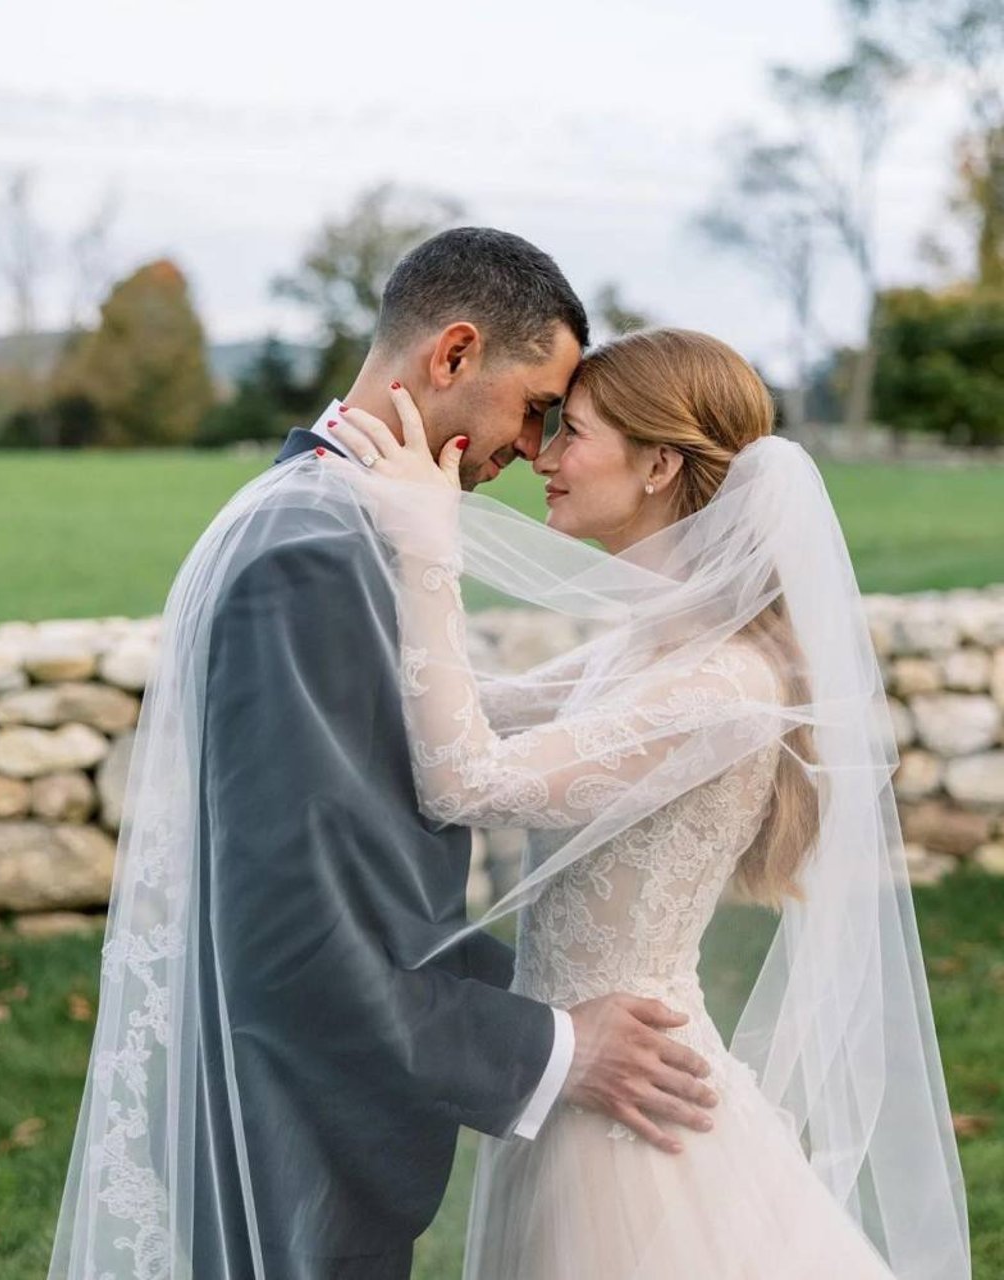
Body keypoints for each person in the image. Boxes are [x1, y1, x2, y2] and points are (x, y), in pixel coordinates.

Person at [47, 232, 719, 1280]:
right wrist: (555, 1046)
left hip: (319, 1092)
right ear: (452, 355)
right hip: (295, 1122)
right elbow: (294, 931)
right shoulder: (315, 551)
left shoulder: (334, 519)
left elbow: (361, 863)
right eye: (536, 404)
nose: (534, 447)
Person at [332, 327, 971, 1279]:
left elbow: (469, 778)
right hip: (577, 1072)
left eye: (572, 432)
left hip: (629, 1102)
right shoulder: (653, 644)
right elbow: (466, 711)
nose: (543, 457)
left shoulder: (728, 683)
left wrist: (432, 551)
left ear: (660, 463)